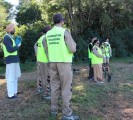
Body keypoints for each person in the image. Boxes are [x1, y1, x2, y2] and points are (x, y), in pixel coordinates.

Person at [44, 13, 79, 120]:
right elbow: (72, 49)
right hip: (64, 63)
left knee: (54, 87)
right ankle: (67, 114)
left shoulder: (48, 34)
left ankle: (53, 110)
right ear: (62, 21)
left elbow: (46, 49)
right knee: (66, 88)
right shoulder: (64, 32)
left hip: (52, 62)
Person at [3, 23, 22, 99]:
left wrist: (17, 44)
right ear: (10, 29)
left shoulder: (10, 37)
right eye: (13, 29)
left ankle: (14, 92)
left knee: (15, 76)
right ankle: (10, 94)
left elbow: (13, 48)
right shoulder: (6, 38)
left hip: (14, 59)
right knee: (11, 77)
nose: (14, 30)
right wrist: (17, 45)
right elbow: (10, 49)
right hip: (10, 60)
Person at [34, 26, 51, 100]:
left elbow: (36, 47)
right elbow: (47, 51)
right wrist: (50, 60)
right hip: (45, 61)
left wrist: (37, 55)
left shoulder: (40, 38)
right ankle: (46, 93)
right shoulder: (46, 38)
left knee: (43, 77)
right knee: (47, 78)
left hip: (40, 60)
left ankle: (43, 90)